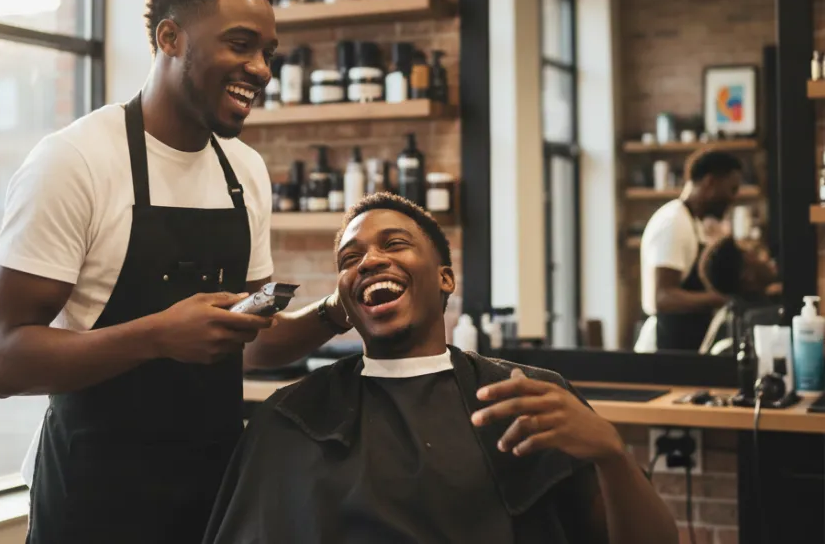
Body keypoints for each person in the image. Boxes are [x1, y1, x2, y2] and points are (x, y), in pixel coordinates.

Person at [0, 0, 353, 543]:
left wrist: (337, 312)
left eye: (268, 53)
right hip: (92, 500)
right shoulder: (74, 162)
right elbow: (2, 360)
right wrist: (157, 335)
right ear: (171, 37)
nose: (260, 68)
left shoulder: (245, 170)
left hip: (210, 497)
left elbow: (248, 346)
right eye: (240, 44)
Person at [203, 192, 678, 544]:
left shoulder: (530, 398)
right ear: (344, 297)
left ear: (445, 278)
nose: (370, 260)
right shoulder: (292, 418)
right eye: (351, 258)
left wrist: (613, 456)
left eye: (394, 243)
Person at [633, 149, 743, 353]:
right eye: (732, 189)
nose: (733, 198)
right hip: (663, 351)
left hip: (681, 346)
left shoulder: (692, 222)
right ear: (710, 183)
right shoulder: (673, 223)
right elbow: (663, 297)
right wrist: (723, 299)